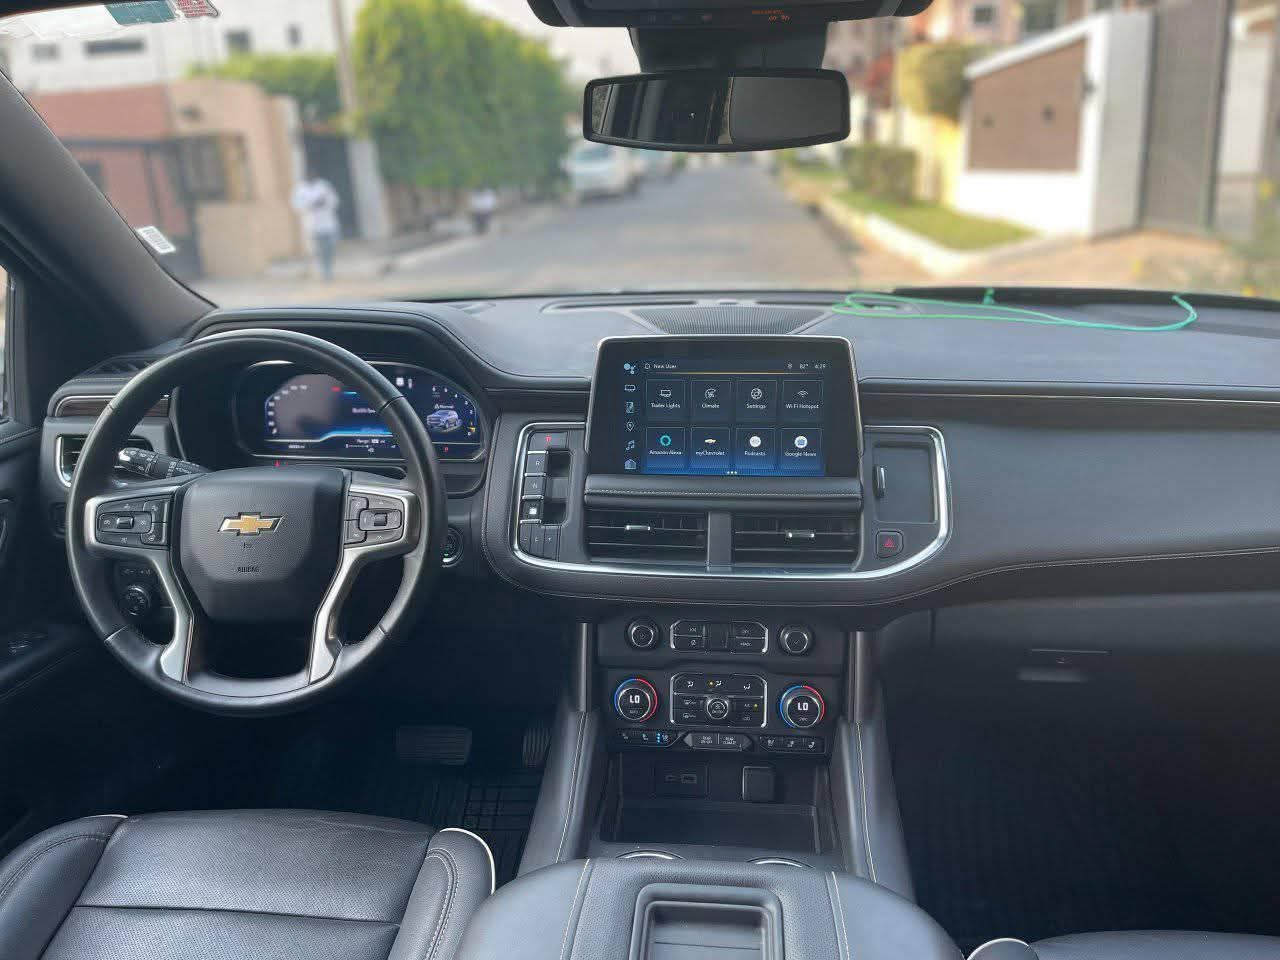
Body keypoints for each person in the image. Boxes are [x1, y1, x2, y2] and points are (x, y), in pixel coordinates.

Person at [291, 167, 341, 282]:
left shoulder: (323, 186)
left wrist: (324, 202)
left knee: (332, 245)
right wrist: (311, 204)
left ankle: (327, 267)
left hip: (328, 222)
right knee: (320, 249)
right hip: (312, 224)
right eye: (308, 175)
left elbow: (334, 200)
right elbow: (296, 205)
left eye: (312, 175)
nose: (310, 177)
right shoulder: (300, 189)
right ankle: (326, 272)